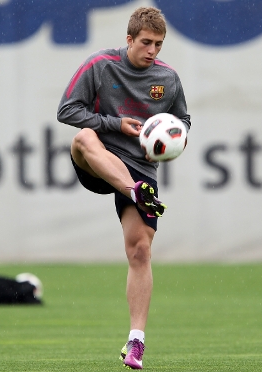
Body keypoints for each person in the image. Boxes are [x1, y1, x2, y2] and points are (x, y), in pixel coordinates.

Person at [57, 6, 190, 370]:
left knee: (140, 251)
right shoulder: (100, 65)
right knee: (83, 136)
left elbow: (183, 121)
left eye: (159, 44)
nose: (152, 51)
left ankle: (136, 343)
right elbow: (67, 110)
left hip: (139, 167)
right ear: (129, 39)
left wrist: (177, 138)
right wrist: (116, 124)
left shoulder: (169, 79)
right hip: (98, 158)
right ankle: (133, 192)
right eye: (146, 42)